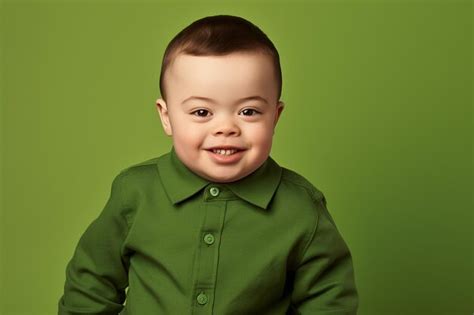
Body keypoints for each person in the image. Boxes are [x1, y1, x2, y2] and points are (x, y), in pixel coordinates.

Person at [58, 14, 359, 315]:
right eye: (202, 112)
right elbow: (90, 287)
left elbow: (329, 302)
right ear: (166, 117)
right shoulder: (135, 193)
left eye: (249, 111)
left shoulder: (301, 208)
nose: (226, 127)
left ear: (275, 117)